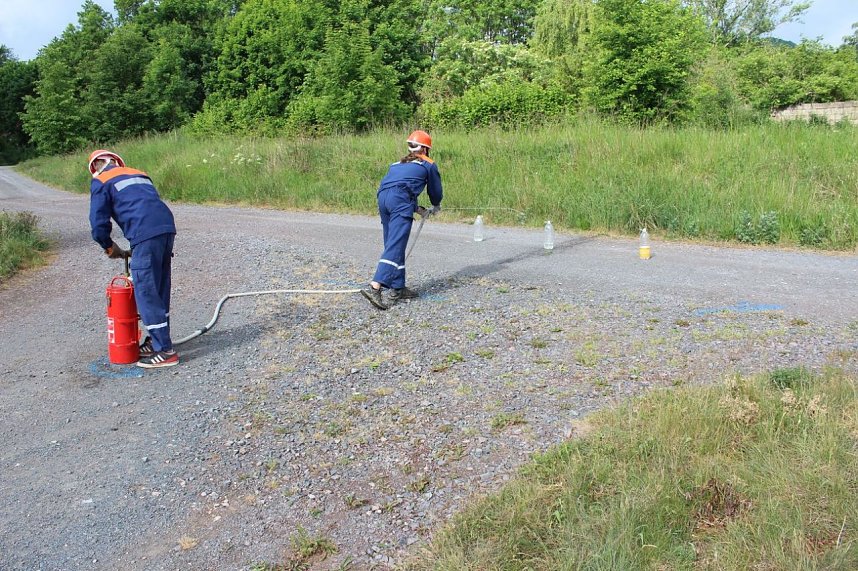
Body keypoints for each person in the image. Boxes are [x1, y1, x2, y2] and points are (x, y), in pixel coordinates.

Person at [88, 149, 179, 368]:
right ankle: (156, 340)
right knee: (159, 286)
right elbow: (143, 204)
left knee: (146, 289)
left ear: (98, 164)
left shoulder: (101, 180)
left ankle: (165, 351)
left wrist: (109, 247)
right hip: (166, 228)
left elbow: (98, 224)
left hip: (144, 233)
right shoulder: (140, 174)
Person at [362, 130, 442, 310]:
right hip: (399, 201)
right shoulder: (428, 165)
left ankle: (398, 287)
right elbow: (434, 191)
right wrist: (436, 205)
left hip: (383, 199)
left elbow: (396, 188)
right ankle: (376, 285)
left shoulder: (396, 164)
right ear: (426, 149)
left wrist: (417, 209)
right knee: (396, 245)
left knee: (392, 243)